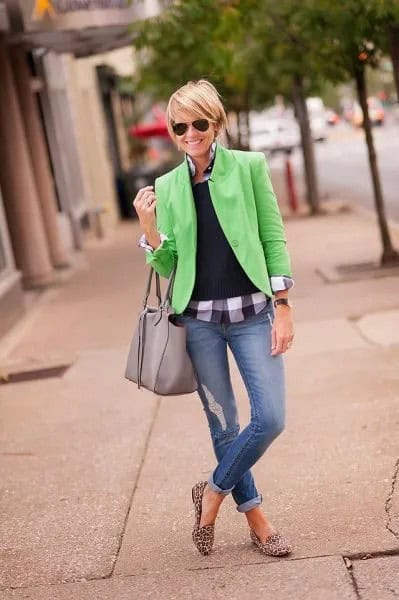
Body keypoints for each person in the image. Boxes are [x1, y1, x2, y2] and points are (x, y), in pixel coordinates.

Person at [133, 80, 294, 558]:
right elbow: (170, 264)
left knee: (270, 417)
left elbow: (273, 237)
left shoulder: (249, 167)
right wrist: (149, 231)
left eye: (199, 123)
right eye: (180, 126)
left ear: (215, 123)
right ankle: (259, 522)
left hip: (251, 314)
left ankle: (211, 493)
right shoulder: (168, 186)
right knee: (224, 425)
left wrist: (283, 306)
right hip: (198, 323)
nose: (190, 133)